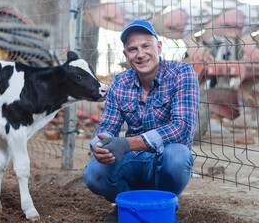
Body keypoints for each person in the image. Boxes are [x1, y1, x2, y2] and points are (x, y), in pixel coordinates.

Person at [83, 20, 200, 222]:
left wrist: (127, 144)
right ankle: (129, 203)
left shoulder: (182, 73)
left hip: (164, 158)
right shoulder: (120, 82)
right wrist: (99, 145)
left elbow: (182, 129)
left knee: (178, 156)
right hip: (134, 160)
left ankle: (161, 205)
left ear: (159, 47)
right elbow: (106, 127)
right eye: (133, 49)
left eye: (146, 46)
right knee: (94, 172)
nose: (140, 54)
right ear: (126, 55)